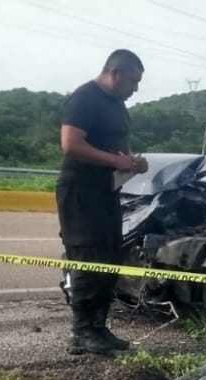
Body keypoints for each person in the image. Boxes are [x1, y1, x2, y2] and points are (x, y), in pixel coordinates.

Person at [57, 49, 148, 355]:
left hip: (107, 191)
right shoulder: (85, 98)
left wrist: (132, 161)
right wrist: (114, 161)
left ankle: (98, 327)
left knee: (110, 256)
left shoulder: (118, 106)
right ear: (115, 73)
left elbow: (116, 147)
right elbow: (70, 144)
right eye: (132, 81)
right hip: (81, 191)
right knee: (89, 256)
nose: (135, 89)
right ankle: (82, 332)